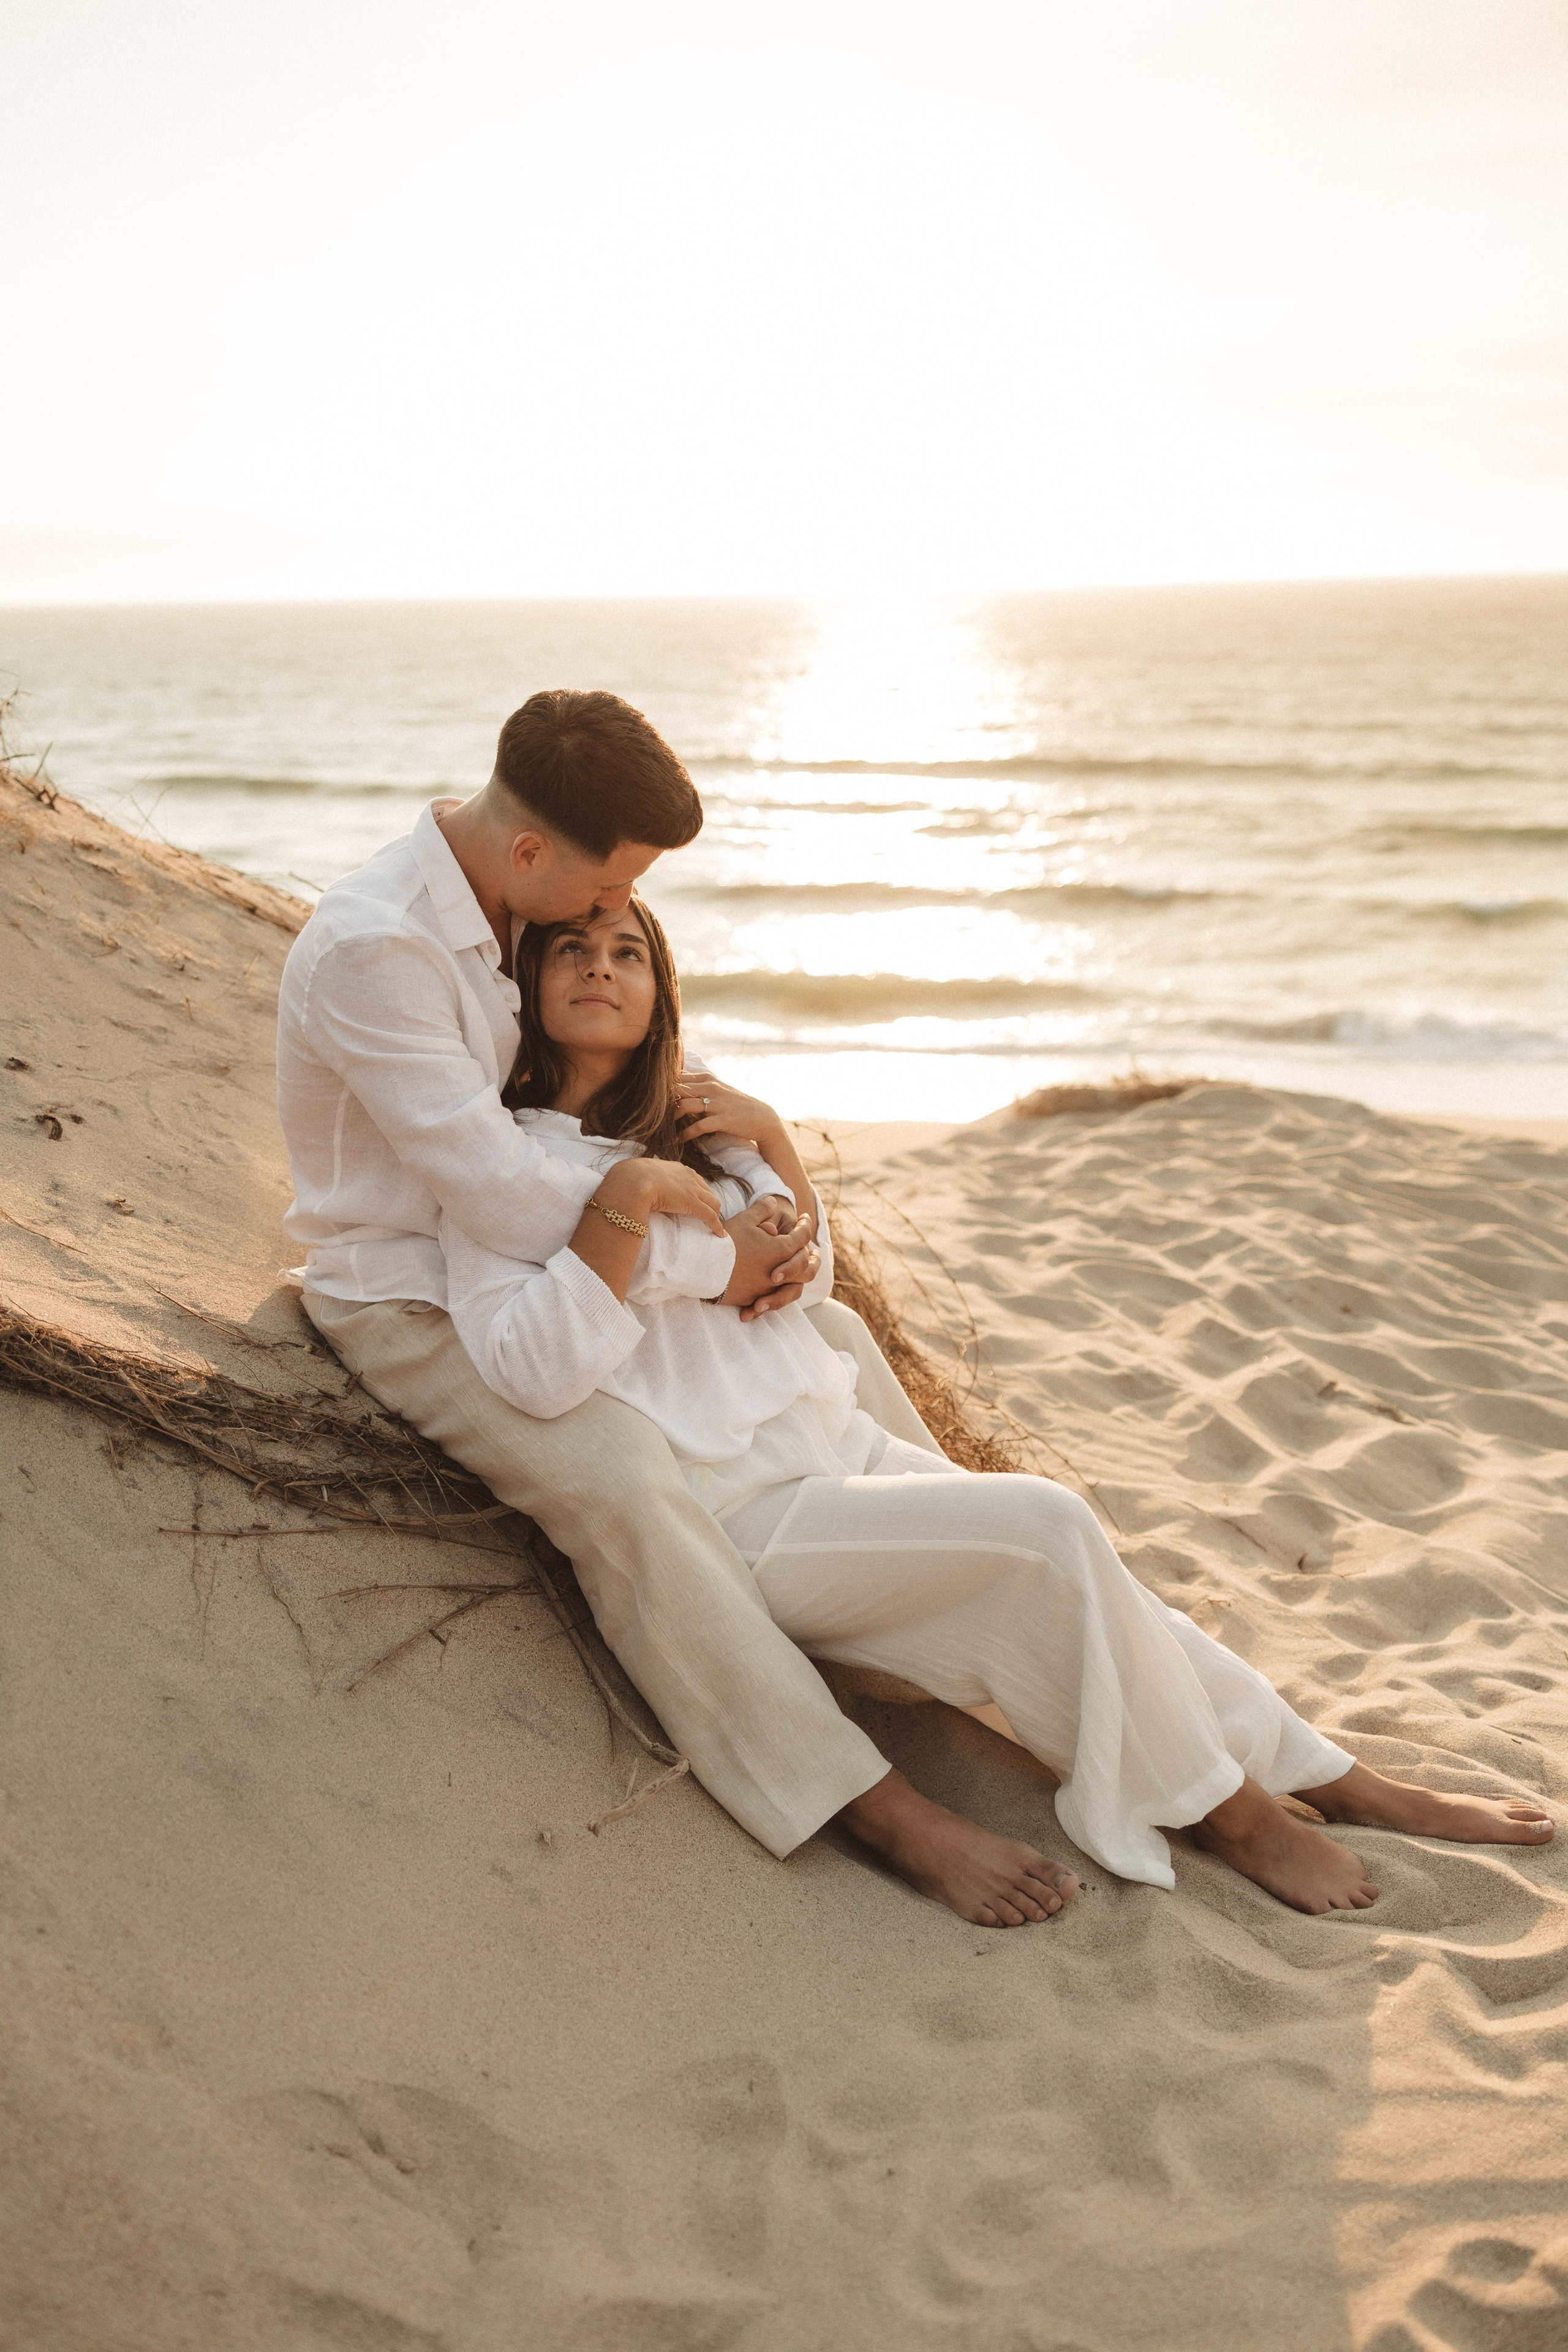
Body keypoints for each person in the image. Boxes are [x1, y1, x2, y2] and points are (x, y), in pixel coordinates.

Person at [433, 889, 1558, 1924]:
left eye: (629, 951)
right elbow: (541, 1367)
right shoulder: (520, 1170)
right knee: (1051, 1526)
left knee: (1100, 1582)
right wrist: (636, 1218)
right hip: (741, 1510)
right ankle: (1236, 1815)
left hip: (836, 1441)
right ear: (526, 987)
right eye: (570, 950)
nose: (601, 967)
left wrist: (769, 1143)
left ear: (660, 992)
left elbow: (803, 1278)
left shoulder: (705, 1125)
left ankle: (1336, 1777)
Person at [276, 688, 978, 1890]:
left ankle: (956, 1609)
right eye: (608, 891)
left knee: (841, 1343)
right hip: (415, 1290)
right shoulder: (374, 950)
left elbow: (653, 1068)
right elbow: (497, 1195)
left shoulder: (519, 895)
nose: (617, 915)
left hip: (564, 1251)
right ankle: (858, 1795)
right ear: (534, 850)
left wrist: (773, 1199)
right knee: (618, 1476)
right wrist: (716, 1268)